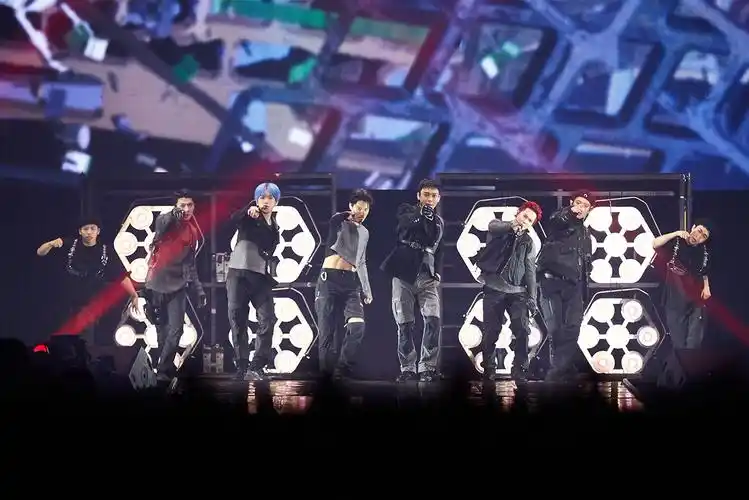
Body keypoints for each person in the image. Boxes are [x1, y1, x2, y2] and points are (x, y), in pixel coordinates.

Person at [36, 215, 140, 353]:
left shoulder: (106, 250)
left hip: (92, 301)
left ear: (98, 231)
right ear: (80, 231)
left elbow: (120, 275)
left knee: (87, 339)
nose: (89, 232)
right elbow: (40, 252)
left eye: (92, 229)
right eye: (86, 229)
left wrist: (134, 295)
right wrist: (50, 244)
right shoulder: (69, 244)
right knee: (63, 337)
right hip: (67, 300)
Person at [381, 179, 444, 383]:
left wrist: (438, 272)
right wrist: (422, 214)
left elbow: (439, 248)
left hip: (427, 276)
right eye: (426, 194)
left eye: (433, 195)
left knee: (433, 320)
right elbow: (405, 225)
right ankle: (407, 368)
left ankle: (427, 367)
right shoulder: (406, 210)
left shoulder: (439, 221)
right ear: (419, 196)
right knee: (404, 324)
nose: (430, 199)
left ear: (439, 198)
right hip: (403, 273)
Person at [144, 189, 206, 382]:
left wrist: (199, 289)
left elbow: (190, 264)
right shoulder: (166, 220)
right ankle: (162, 369)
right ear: (175, 206)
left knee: (176, 329)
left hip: (178, 285)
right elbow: (161, 225)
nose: (186, 209)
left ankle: (163, 368)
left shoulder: (193, 231)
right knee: (161, 329)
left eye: (190, 205)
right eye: (182, 205)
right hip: (157, 281)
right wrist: (173, 214)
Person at [476, 201, 542, 382]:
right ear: (518, 213)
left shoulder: (528, 242)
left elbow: (530, 271)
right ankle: (489, 368)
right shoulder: (499, 229)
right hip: (494, 288)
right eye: (524, 216)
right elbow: (492, 226)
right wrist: (512, 226)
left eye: (530, 220)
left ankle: (519, 369)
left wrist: (532, 297)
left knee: (522, 329)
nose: (525, 220)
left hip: (517, 292)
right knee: (491, 330)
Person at [315, 189, 374, 380]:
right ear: (351, 206)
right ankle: (325, 376)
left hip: (350, 283)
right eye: (359, 208)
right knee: (326, 332)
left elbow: (361, 262)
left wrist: (367, 290)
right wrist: (345, 215)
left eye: (366, 209)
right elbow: (333, 220)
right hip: (329, 280)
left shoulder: (365, 232)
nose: (362, 212)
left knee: (358, 326)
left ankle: (342, 369)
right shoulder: (339, 222)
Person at [536, 190, 595, 382]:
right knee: (556, 329)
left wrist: (585, 282)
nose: (581, 208)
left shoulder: (585, 233)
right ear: (571, 203)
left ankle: (561, 369)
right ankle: (558, 370)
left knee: (573, 327)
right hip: (552, 281)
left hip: (574, 285)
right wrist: (569, 212)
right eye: (578, 203)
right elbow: (557, 219)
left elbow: (586, 261)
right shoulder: (560, 221)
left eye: (585, 206)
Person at [227, 182, 281, 381]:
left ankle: (257, 366)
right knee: (238, 320)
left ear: (276, 201)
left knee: (268, 319)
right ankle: (241, 366)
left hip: (260, 277)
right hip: (238, 275)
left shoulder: (274, 226)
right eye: (261, 197)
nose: (265, 201)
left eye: (270, 198)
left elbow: (268, 246)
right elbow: (234, 218)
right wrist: (248, 209)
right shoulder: (249, 216)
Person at [652, 220, 713, 349]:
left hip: (695, 301)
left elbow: (705, 271)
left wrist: (707, 286)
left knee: (693, 343)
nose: (698, 236)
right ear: (693, 227)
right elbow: (655, 243)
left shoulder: (703, 252)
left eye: (703, 236)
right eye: (699, 231)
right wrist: (676, 233)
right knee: (678, 343)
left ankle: (691, 360)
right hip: (674, 300)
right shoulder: (677, 242)